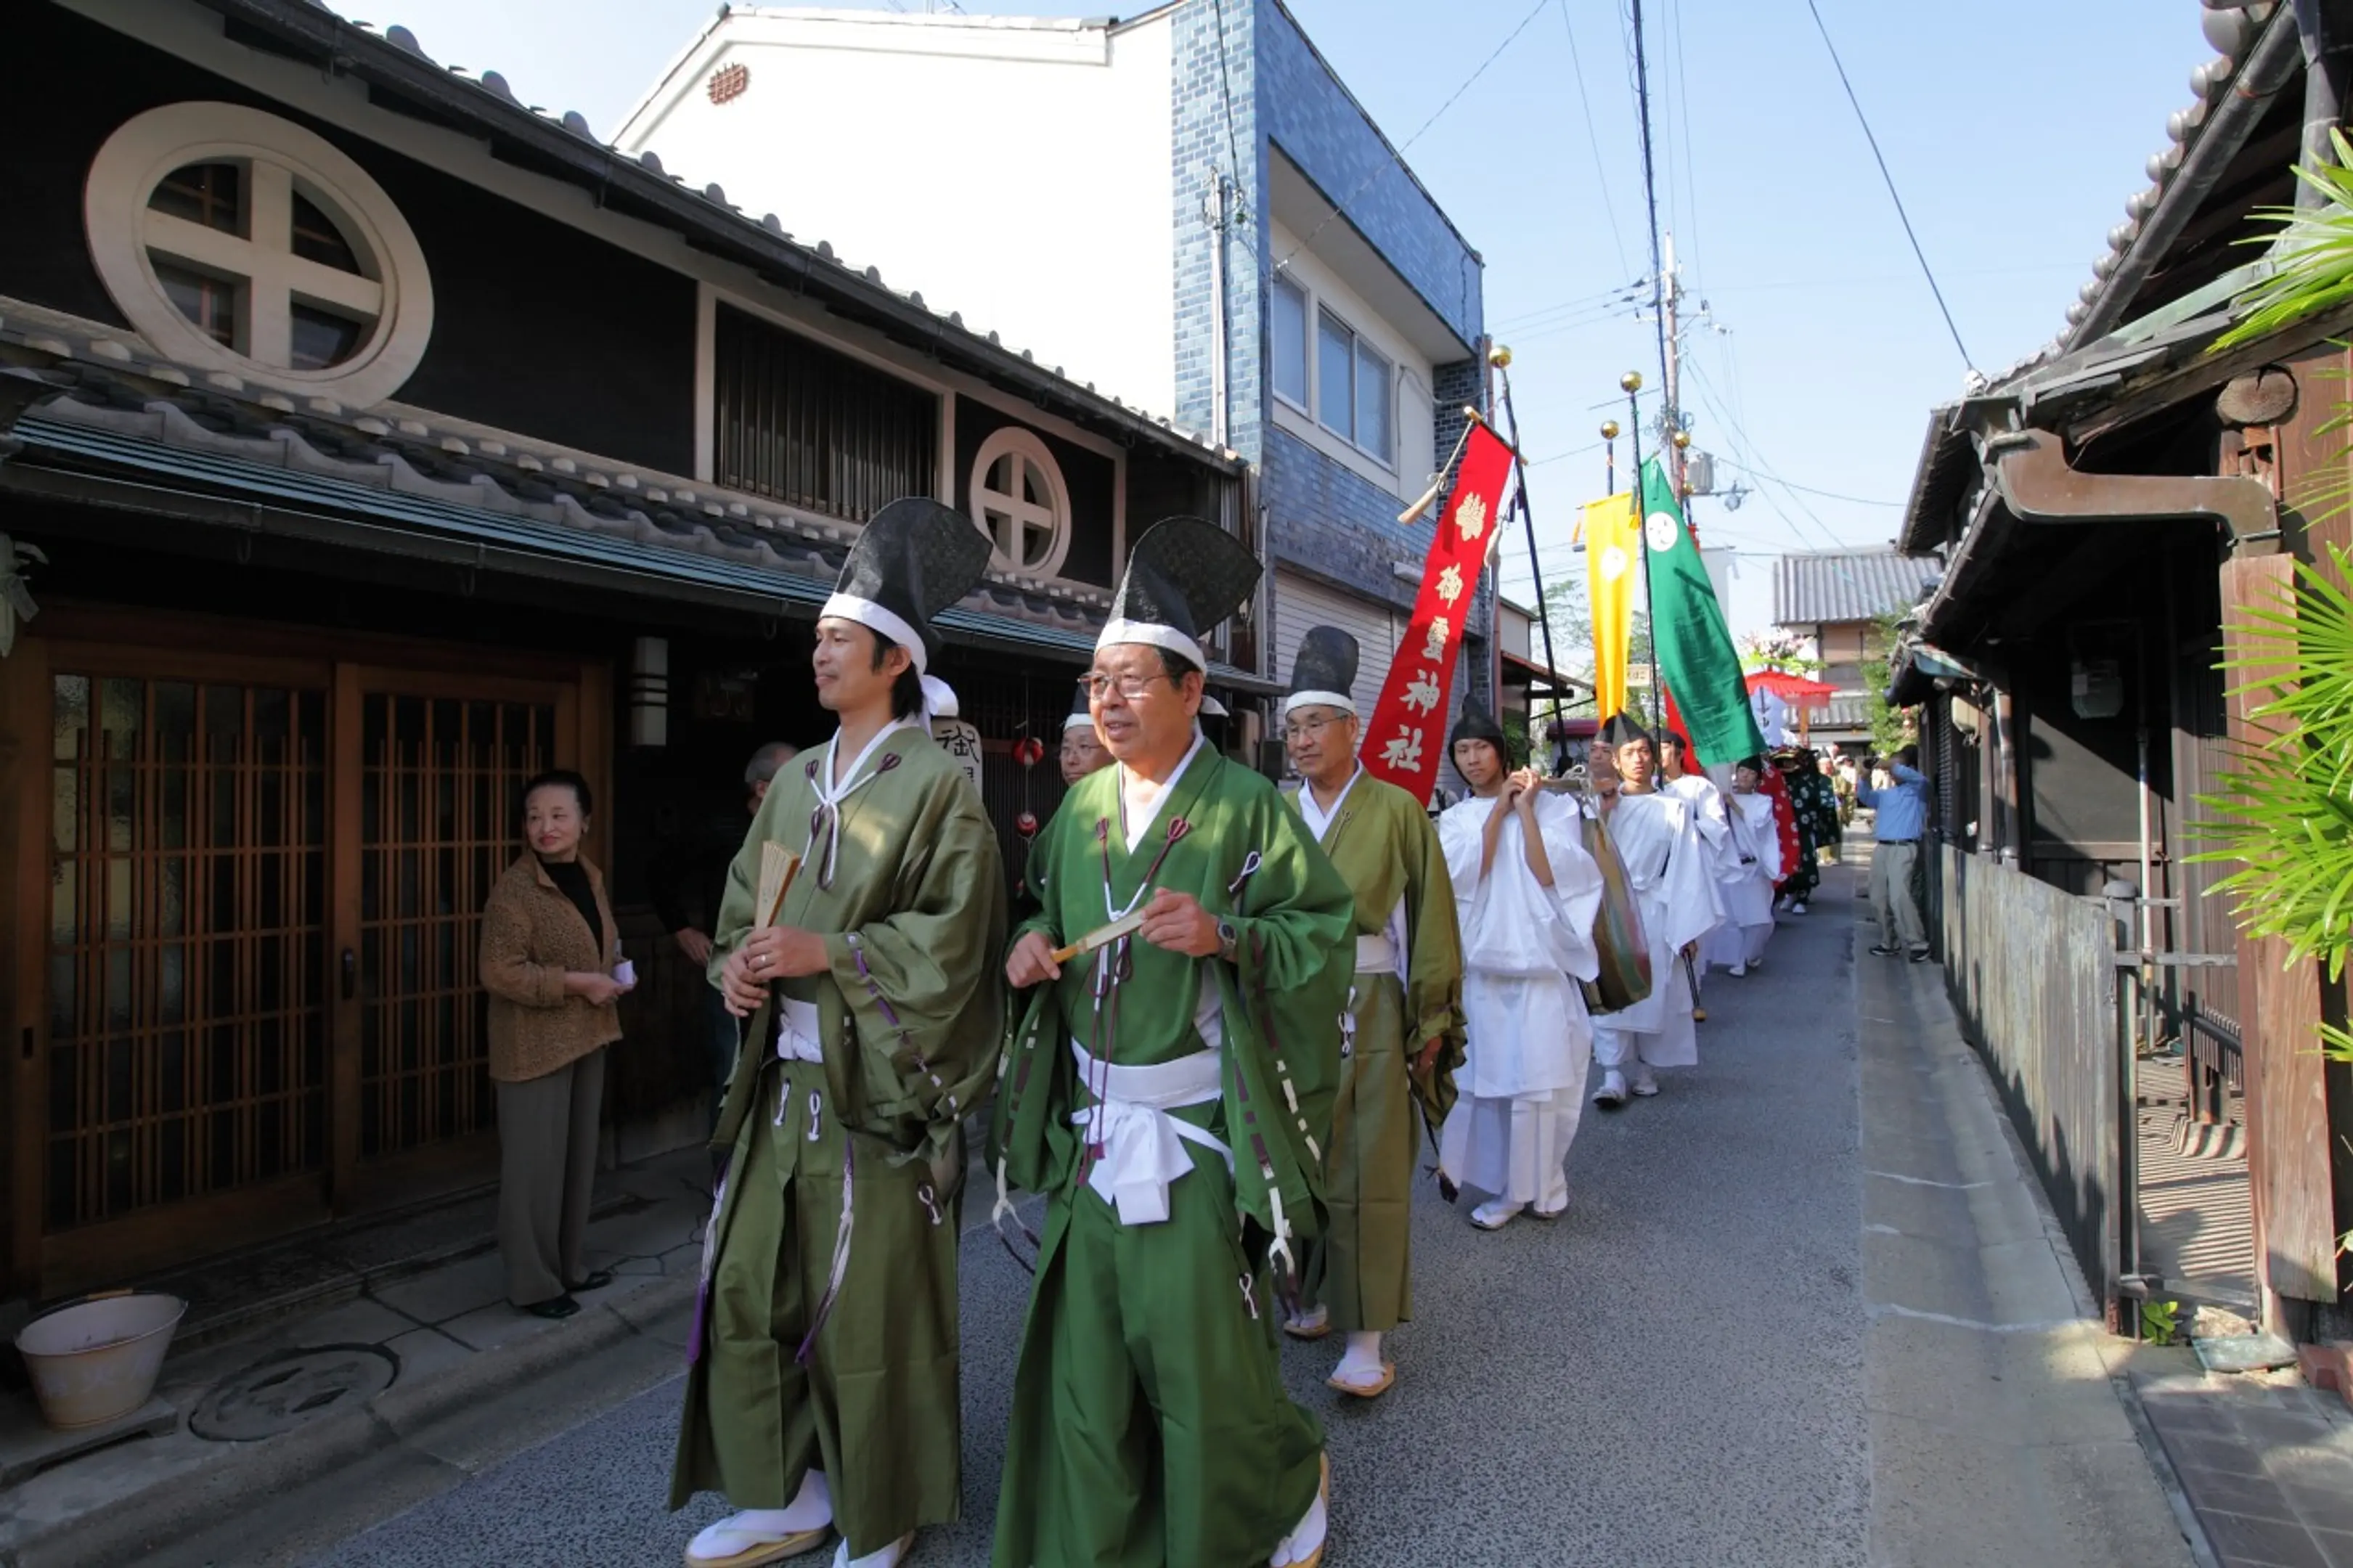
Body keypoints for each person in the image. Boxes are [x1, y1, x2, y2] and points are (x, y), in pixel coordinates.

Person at [992, 517, 1350, 1568]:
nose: (1106, 700)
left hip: (1195, 1132)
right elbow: (1036, 910)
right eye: (1096, 682)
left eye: (1132, 680)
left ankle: (1275, 1494)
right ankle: (1106, 1539)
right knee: (1090, 1368)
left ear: (1194, 692)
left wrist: (1225, 935)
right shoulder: (1079, 810)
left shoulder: (1246, 807)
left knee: (1203, 1365)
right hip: (1093, 1130)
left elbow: (1324, 934)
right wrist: (1024, 946)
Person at [671, 498, 1007, 1568]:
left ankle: (883, 1501)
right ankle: (789, 1490)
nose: (817, 652)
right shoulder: (799, 785)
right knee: (748, 1287)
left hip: (874, 1096)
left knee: (869, 1313)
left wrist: (834, 956)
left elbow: (955, 945)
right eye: (815, 638)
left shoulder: (938, 791)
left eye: (836, 640)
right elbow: (741, 909)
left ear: (894, 660)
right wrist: (737, 967)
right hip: (784, 1089)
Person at [1275, 626, 1465, 1397]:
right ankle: (1315, 1290)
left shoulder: (1395, 811)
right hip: (1288, 1006)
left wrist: (1431, 1019)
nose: (1300, 741)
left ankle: (1366, 1334)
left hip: (1371, 1003)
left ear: (1353, 730)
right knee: (1297, 1155)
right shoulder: (1273, 814)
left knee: (1368, 1164)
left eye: (1315, 725)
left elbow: (1431, 920)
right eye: (1291, 729)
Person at [1436, 709, 1603, 1230]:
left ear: (1500, 751)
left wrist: (1526, 809)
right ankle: (1510, 1189)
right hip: (1484, 973)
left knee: (1543, 1088)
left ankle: (1545, 1183)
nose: (1471, 760)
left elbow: (1550, 872)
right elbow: (1467, 874)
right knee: (1491, 1086)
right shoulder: (1457, 818)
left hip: (1541, 973)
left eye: (1479, 748)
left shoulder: (1554, 807)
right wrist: (1497, 814)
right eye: (1461, 752)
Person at [478, 769, 631, 1320]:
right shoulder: (515, 889)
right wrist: (577, 983)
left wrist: (612, 969)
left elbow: (596, 940)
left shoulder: (588, 876)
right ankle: (533, 1283)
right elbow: (498, 972)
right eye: (534, 816)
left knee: (575, 1161)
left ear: (584, 822)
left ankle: (568, 1266)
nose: (545, 827)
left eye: (558, 815)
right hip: (532, 1045)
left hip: (587, 1035)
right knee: (533, 1171)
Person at [656, 743, 799, 1132]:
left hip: (788, 969)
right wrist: (680, 928)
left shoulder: (803, 829)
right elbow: (661, 872)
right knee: (732, 1070)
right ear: (763, 789)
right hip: (732, 968)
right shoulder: (722, 829)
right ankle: (725, 1183)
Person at [1591, 714, 1720, 1107]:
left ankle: (1647, 1066)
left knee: (1654, 988)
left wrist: (1688, 927)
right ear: (1615, 759)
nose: (1639, 759)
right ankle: (1612, 1073)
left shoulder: (1673, 807)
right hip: (1609, 909)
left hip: (1654, 907)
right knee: (1610, 989)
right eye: (1629, 752)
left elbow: (1686, 866)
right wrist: (1604, 807)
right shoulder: (1599, 804)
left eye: (1645, 751)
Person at [1702, 757, 1784, 976]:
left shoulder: (1762, 801)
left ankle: (1752, 953)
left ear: (1757, 778)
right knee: (1733, 917)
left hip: (1752, 866)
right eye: (1742, 771)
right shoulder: (1721, 799)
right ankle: (1738, 959)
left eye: (1750, 773)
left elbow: (1757, 826)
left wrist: (1733, 804)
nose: (1745, 776)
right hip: (1728, 865)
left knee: (1759, 919)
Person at [1858, 743, 1933, 963]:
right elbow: (1866, 797)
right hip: (1882, 848)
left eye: (1899, 766)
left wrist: (1889, 764)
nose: (1893, 771)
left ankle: (1918, 943)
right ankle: (1889, 941)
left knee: (1900, 896)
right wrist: (1863, 776)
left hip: (1904, 847)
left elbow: (1919, 780)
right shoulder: (1886, 794)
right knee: (1878, 897)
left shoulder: (1919, 789)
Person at [1774, 748, 1840, 912]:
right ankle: (1790, 893)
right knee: (1786, 859)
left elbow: (1825, 805)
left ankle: (1803, 897)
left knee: (1805, 860)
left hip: (1806, 826)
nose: (1788, 765)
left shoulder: (1817, 780)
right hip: (1784, 828)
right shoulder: (1781, 779)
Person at [1059, 685, 1111, 785]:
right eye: (1066, 748)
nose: (1071, 760)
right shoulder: (1070, 799)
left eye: (1084, 747)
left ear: (1112, 751)